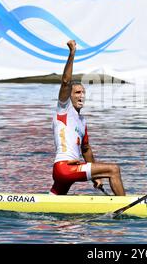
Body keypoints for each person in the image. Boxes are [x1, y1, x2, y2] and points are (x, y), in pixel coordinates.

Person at [50, 40, 125, 196]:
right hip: (64, 168)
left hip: (69, 170)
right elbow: (65, 82)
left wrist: (95, 177)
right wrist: (72, 54)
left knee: (51, 204)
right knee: (114, 169)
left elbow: (86, 149)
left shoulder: (82, 121)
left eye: (83, 92)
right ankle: (126, 209)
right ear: (68, 96)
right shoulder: (64, 110)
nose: (81, 95)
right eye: (77, 92)